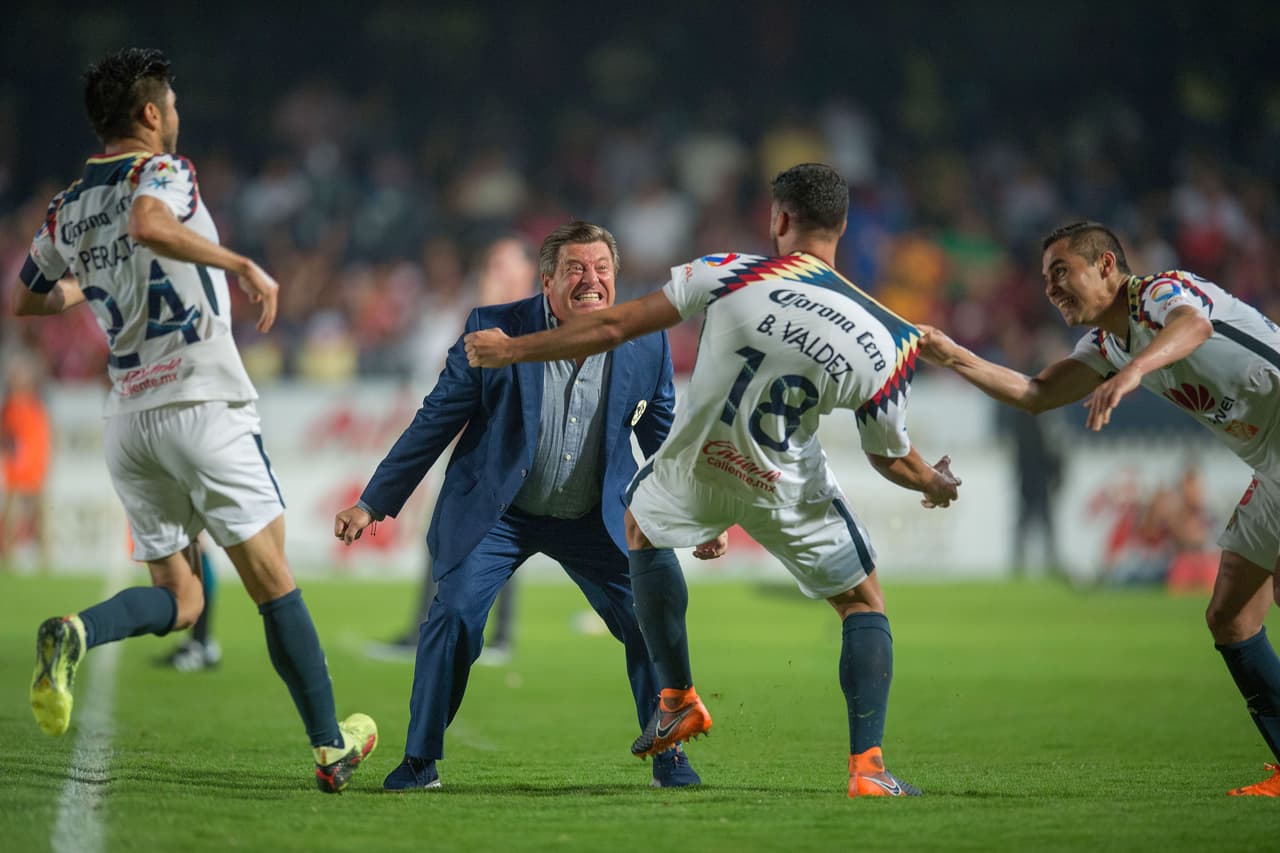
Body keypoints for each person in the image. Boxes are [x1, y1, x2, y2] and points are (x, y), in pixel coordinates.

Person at [465, 163, 962, 798]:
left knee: (641, 524)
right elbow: (889, 456)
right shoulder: (888, 337)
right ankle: (867, 768)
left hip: (703, 459)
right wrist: (933, 483)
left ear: (779, 219)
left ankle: (676, 695)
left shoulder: (730, 271)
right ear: (841, 225)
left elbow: (614, 327)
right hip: (785, 479)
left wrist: (512, 349)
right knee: (863, 604)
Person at [15, 48, 376, 793]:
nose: (175, 116)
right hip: (200, 402)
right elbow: (148, 225)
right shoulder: (162, 172)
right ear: (150, 115)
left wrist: (92, 287)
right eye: (170, 105)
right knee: (273, 576)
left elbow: (28, 296)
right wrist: (243, 264)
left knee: (184, 600)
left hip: (129, 420)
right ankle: (328, 743)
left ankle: (77, 630)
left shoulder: (66, 206)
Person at [916, 220, 1280, 797]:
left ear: (1107, 265)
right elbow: (1036, 395)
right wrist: (954, 356)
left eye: (1062, 272)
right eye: (1045, 279)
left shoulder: (1161, 293)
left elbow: (1197, 325)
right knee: (1231, 615)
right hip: (1271, 464)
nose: (1051, 288)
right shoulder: (1108, 344)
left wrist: (1135, 372)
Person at [335, 220, 703, 790]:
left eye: (602, 269)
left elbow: (662, 437)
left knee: (649, 621)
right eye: (577, 269)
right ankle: (419, 761)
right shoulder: (493, 329)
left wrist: (697, 512)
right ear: (548, 277)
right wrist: (373, 503)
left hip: (594, 516)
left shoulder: (646, 339)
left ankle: (670, 754)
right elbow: (435, 421)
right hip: (499, 515)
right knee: (452, 615)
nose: (591, 281)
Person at [368, 236, 539, 664]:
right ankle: (459, 630)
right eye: (490, 267)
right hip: (482, 443)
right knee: (462, 528)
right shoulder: (486, 316)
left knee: (502, 529)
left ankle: (488, 634)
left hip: (515, 446)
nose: (492, 276)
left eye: (502, 267)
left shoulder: (533, 319)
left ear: (527, 273)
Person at [0, 353, 52, 571]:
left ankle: (45, 555)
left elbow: (43, 437)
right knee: (12, 512)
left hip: (35, 467)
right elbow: (7, 436)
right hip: (17, 468)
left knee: (39, 512)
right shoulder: (11, 406)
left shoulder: (35, 406)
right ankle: (7, 554)